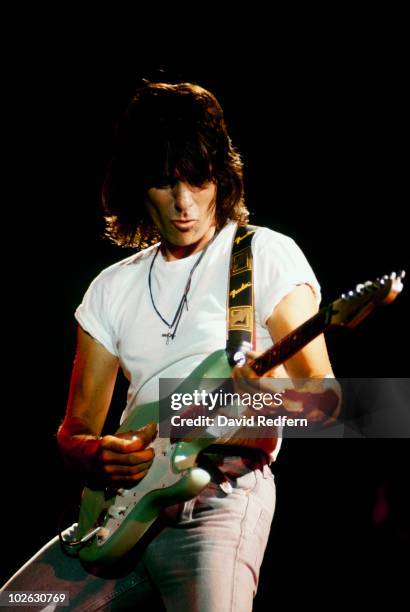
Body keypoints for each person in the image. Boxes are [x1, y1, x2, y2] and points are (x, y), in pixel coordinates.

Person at [1, 81, 340, 611]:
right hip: (115, 517)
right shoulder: (110, 289)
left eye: (197, 180)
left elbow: (328, 405)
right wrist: (96, 454)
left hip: (215, 504)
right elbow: (73, 432)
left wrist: (263, 397)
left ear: (221, 177)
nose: (184, 203)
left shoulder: (264, 256)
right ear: (137, 187)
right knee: (19, 605)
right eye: (164, 184)